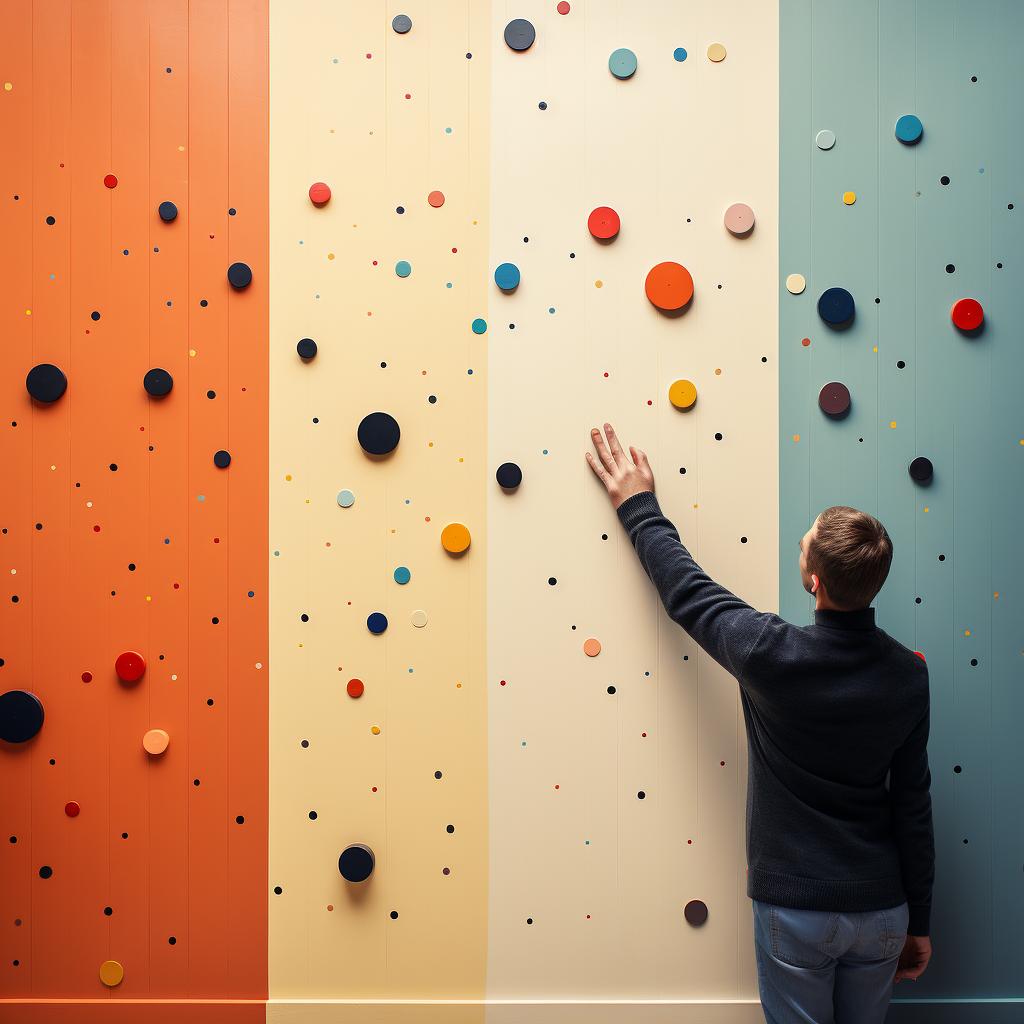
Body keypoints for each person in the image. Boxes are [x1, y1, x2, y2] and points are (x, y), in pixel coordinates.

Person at [585, 423, 934, 1024]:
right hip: (883, 908)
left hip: (794, 909)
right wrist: (920, 922)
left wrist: (638, 504)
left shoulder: (770, 654)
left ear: (815, 581)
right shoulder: (907, 675)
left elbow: (687, 592)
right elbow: (913, 803)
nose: (800, 547)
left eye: (804, 547)